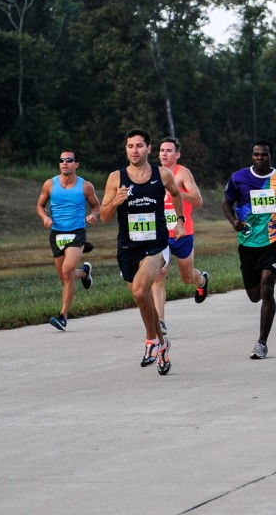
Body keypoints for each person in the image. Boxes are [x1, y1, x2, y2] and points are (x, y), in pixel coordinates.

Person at [99, 129, 182, 375]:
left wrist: (179, 220)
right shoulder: (116, 178)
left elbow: (176, 194)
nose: (134, 150)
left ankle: (151, 341)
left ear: (148, 148)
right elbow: (104, 217)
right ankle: (163, 343)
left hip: (156, 245)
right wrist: (115, 202)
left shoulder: (162, 174)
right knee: (141, 298)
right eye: (130, 146)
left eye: (139, 146)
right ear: (126, 149)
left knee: (139, 289)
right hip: (127, 247)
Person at [222, 141, 276, 360]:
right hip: (248, 243)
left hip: (274, 242)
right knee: (254, 296)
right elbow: (226, 203)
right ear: (252, 156)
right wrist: (233, 221)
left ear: (271, 156)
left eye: (264, 155)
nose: (259, 158)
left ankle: (262, 343)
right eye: (256, 155)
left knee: (267, 287)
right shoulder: (238, 178)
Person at [36, 149, 101, 331]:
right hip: (56, 234)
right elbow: (40, 206)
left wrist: (93, 215)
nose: (65, 163)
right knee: (66, 277)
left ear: (76, 164)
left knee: (67, 270)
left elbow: (96, 205)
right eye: (62, 160)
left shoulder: (85, 186)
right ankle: (84, 273)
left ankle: (62, 316)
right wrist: (44, 217)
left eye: (69, 160)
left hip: (77, 232)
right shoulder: (50, 184)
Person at [152, 136, 210, 336]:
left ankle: (201, 280)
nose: (164, 154)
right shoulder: (153, 173)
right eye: (161, 150)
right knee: (159, 275)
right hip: (160, 234)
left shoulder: (182, 173)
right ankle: (160, 321)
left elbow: (198, 200)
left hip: (182, 233)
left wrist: (176, 192)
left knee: (187, 278)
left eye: (169, 151)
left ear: (177, 154)